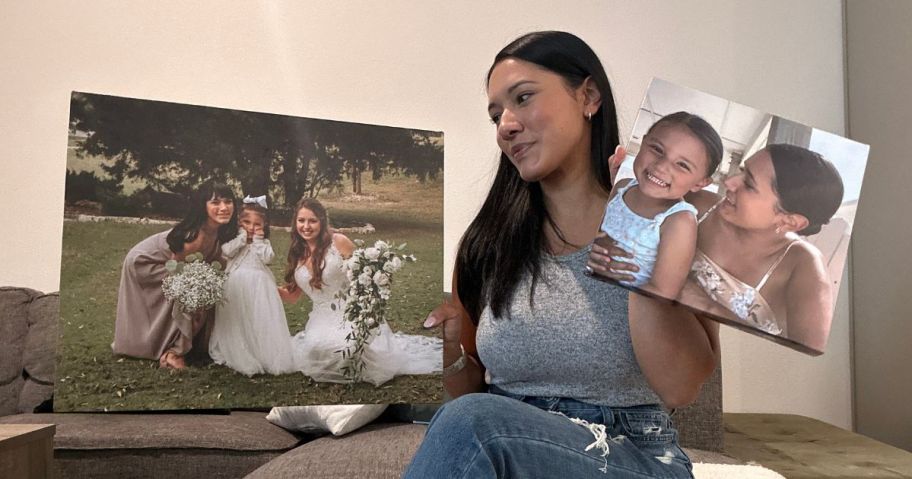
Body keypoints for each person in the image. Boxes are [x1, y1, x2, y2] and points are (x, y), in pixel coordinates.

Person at [405, 31, 719, 478]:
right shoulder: (486, 245)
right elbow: (470, 393)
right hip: (515, 451)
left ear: (588, 95)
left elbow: (682, 386)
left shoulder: (674, 227)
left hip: (635, 456)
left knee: (474, 423)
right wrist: (450, 355)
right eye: (496, 115)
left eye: (523, 97)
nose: (506, 125)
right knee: (472, 419)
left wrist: (631, 235)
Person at [593, 144, 843, 351]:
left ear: (789, 220)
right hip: (618, 329)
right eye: (742, 171)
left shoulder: (804, 265)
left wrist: (703, 303)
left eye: (749, 184)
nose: (730, 181)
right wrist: (600, 239)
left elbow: (801, 362)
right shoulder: (696, 204)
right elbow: (620, 202)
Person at [278, 197, 442, 386]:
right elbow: (292, 296)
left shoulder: (338, 242)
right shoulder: (297, 252)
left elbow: (365, 275)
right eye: (301, 220)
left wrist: (369, 305)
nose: (306, 226)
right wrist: (263, 285)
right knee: (317, 349)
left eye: (312, 220)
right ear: (295, 223)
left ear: (322, 222)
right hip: (320, 317)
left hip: (352, 312)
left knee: (345, 348)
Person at [113, 183, 238, 370]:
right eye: (215, 202)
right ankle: (173, 353)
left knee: (202, 291)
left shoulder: (216, 231)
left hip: (176, 266)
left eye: (228, 202)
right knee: (191, 298)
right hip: (146, 263)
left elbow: (218, 262)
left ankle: (188, 346)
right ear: (202, 206)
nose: (223, 208)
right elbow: (179, 274)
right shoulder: (195, 238)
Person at [598, 111, 722, 298]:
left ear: (700, 183)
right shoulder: (622, 187)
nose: (662, 166)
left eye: (682, 165)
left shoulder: (679, 221)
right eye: (657, 149)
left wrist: (607, 283)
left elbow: (663, 292)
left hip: (622, 308)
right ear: (643, 142)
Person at [209, 195, 298, 376]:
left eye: (257, 224)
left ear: (264, 226)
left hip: (259, 285)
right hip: (235, 283)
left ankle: (260, 350)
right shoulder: (235, 241)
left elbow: (268, 258)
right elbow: (226, 251)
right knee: (238, 316)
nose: (251, 227)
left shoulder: (263, 243)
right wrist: (242, 239)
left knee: (258, 316)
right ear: (239, 223)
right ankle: (238, 348)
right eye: (246, 222)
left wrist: (258, 241)